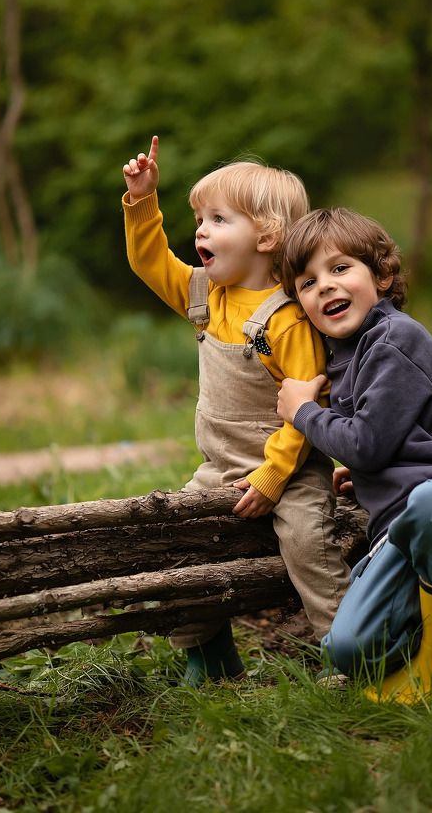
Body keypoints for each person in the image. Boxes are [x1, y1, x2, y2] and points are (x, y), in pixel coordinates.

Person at [122, 138, 349, 686]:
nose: (200, 230)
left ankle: (348, 648)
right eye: (199, 218)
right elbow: (148, 261)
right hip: (220, 467)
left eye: (218, 219)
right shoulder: (206, 294)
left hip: (291, 470)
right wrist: (141, 201)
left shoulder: (287, 320)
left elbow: (307, 405)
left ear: (267, 235)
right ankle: (209, 654)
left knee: (307, 543)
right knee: (181, 543)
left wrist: (273, 478)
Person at [276, 207, 432, 704]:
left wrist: (302, 411)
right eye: (307, 282)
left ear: (384, 276)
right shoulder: (344, 357)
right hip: (405, 525)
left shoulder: (396, 337)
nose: (324, 286)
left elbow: (367, 443)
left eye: (340, 268)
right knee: (349, 649)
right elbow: (379, 443)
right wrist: (371, 475)